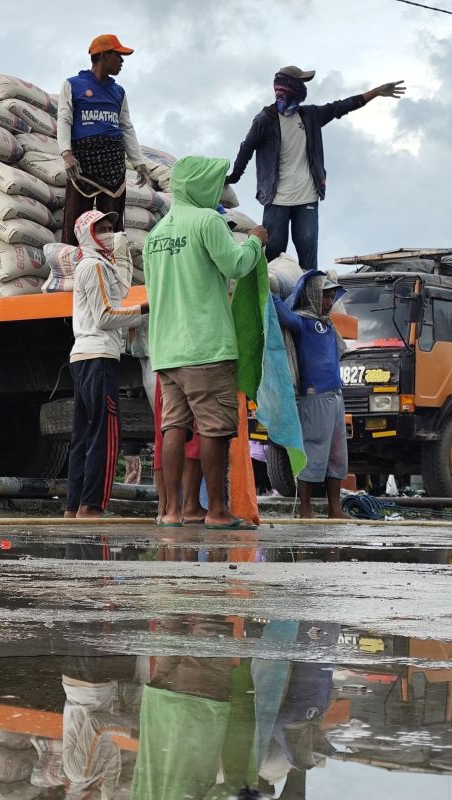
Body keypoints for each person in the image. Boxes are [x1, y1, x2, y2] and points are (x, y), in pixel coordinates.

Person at [143, 155, 269, 529]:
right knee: (215, 427)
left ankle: (171, 511)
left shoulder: (155, 235)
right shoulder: (208, 221)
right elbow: (235, 265)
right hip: (206, 345)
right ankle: (216, 510)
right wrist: (255, 243)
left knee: (173, 427)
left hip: (166, 349)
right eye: (215, 183)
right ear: (201, 186)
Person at [226, 66, 405, 270]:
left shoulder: (310, 115)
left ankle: (310, 299)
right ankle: (269, 299)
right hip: (277, 199)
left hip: (307, 199)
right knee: (273, 254)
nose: (303, 88)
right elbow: (246, 148)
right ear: (288, 87)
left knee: (308, 255)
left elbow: (342, 106)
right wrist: (234, 176)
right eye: (300, 83)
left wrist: (376, 92)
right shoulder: (265, 120)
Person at [64, 210, 147, 519]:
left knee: (84, 435)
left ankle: (74, 506)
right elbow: (106, 316)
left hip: (85, 357)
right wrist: (144, 310)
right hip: (98, 357)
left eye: (112, 228)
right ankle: (93, 505)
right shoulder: (94, 267)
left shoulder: (96, 265)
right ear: (88, 234)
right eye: (104, 229)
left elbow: (119, 293)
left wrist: (123, 258)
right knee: (106, 433)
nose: (110, 234)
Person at [57, 34, 152, 246]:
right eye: (118, 56)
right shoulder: (73, 85)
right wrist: (67, 154)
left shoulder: (118, 91)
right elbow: (64, 119)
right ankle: (73, 264)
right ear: (103, 55)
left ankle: (113, 263)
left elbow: (126, 126)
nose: (122, 61)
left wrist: (139, 162)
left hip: (113, 163)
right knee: (76, 218)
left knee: (112, 222)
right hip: (82, 162)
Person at [273, 271, 351, 519]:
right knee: (313, 452)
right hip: (313, 397)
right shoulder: (301, 321)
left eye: (331, 297)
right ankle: (305, 509)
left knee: (337, 455)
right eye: (326, 296)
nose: (330, 302)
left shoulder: (327, 324)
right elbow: (280, 313)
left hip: (335, 397)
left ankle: (334, 509)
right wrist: (266, 289)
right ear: (314, 296)